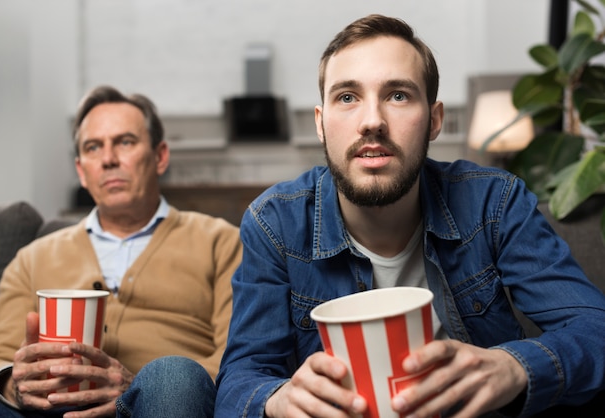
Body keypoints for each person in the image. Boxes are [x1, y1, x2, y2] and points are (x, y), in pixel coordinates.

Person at [215, 14, 605, 418]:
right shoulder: (274, 223)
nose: (372, 122)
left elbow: (596, 330)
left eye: (398, 95)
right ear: (320, 124)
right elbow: (238, 384)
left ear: (434, 120)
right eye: (347, 97)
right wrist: (276, 400)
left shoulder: (495, 202)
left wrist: (515, 366)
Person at [0, 85, 242, 418]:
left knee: (172, 376)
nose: (108, 159)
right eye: (93, 147)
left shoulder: (220, 241)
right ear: (81, 171)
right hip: (46, 412)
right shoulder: (32, 258)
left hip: (160, 404)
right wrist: (15, 385)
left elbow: (239, 360)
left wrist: (134, 391)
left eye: (125, 142)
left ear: (160, 156)